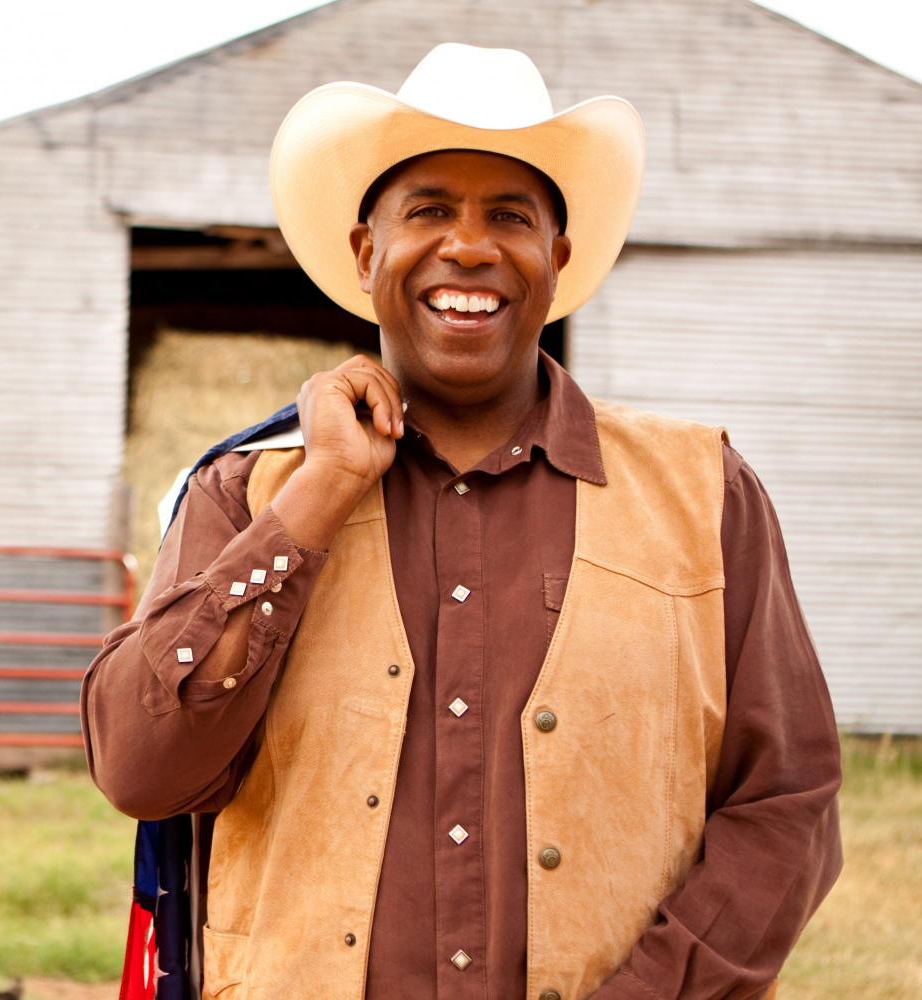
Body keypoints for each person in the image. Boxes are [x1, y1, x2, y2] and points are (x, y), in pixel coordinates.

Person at [80, 42, 843, 1000]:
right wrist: (318, 494)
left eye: (510, 216)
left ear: (556, 260)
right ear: (367, 254)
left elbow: (787, 804)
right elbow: (141, 770)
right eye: (431, 209)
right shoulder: (248, 493)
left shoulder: (705, 493)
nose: (470, 247)